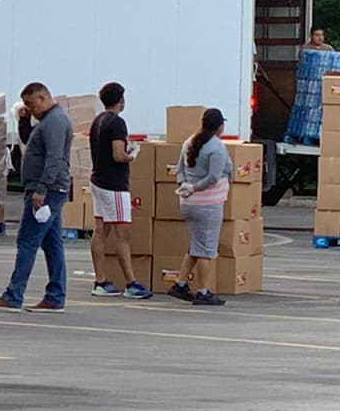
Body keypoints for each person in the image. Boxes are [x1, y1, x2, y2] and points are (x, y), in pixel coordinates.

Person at [0, 83, 72, 313]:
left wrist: (41, 189)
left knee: (27, 241)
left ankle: (14, 294)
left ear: (41, 98)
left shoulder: (55, 122)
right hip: (49, 188)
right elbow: (31, 143)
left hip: (47, 190)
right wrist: (23, 121)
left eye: (31, 104)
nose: (30, 109)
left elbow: (54, 158)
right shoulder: (47, 122)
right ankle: (55, 295)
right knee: (52, 243)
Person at [87, 82, 152, 299]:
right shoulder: (117, 123)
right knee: (123, 233)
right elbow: (118, 155)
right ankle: (131, 282)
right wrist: (131, 154)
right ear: (121, 101)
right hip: (114, 184)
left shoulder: (98, 121)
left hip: (98, 180)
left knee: (101, 230)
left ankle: (100, 279)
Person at [167, 109, 232, 306]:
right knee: (207, 249)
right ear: (220, 126)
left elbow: (179, 170)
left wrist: (186, 187)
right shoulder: (217, 148)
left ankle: (180, 283)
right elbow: (213, 177)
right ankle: (203, 291)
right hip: (208, 203)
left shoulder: (189, 142)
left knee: (196, 246)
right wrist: (196, 187)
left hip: (188, 202)